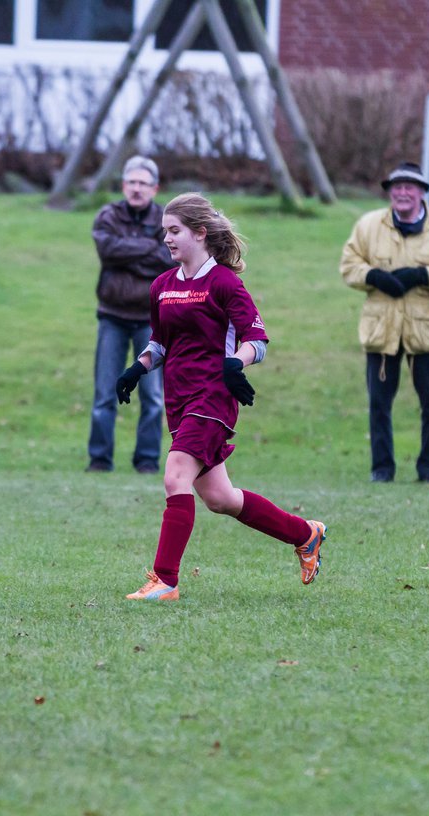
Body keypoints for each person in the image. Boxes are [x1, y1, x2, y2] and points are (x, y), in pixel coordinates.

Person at [114, 193, 326, 601]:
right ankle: (306, 534)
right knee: (219, 498)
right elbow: (160, 344)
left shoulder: (225, 283)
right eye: (164, 233)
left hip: (213, 399)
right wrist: (137, 368)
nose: (168, 240)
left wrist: (235, 364)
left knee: (176, 473)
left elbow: (256, 339)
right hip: (178, 399)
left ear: (200, 233)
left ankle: (166, 580)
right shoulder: (162, 286)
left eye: (175, 231)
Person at [340, 161, 429, 484]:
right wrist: (374, 276)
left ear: (423, 192)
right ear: (390, 193)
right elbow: (348, 265)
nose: (402, 193)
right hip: (381, 329)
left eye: (410, 187)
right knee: (379, 405)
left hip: (427, 329)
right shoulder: (369, 226)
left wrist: (421, 275)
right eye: (397, 187)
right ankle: (381, 470)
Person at [86, 155, 174, 474]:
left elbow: (169, 259)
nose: (137, 188)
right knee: (105, 390)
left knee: (152, 396)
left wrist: (128, 254)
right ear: (123, 185)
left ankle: (147, 460)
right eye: (132, 182)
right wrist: (148, 252)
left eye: (143, 183)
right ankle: (99, 459)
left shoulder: (168, 219)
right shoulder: (107, 215)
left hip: (152, 321)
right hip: (112, 316)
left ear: (155, 188)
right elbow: (108, 251)